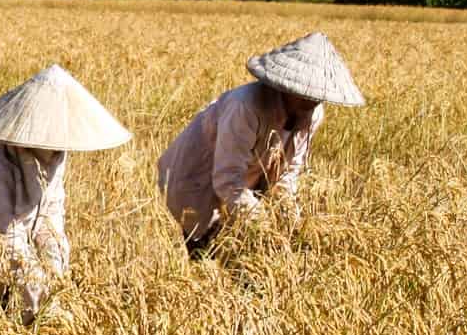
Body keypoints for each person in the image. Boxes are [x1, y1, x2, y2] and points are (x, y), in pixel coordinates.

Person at [0, 64, 130, 322]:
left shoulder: (55, 152)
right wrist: (45, 308)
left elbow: (50, 215)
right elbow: (6, 239)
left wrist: (56, 276)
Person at [156, 32, 365, 256]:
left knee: (249, 254)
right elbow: (228, 179)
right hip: (196, 180)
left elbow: (287, 174)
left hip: (244, 181)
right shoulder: (245, 105)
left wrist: (290, 225)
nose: (312, 101)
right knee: (207, 252)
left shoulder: (312, 113)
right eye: (305, 94)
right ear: (287, 88)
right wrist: (261, 226)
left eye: (317, 96)